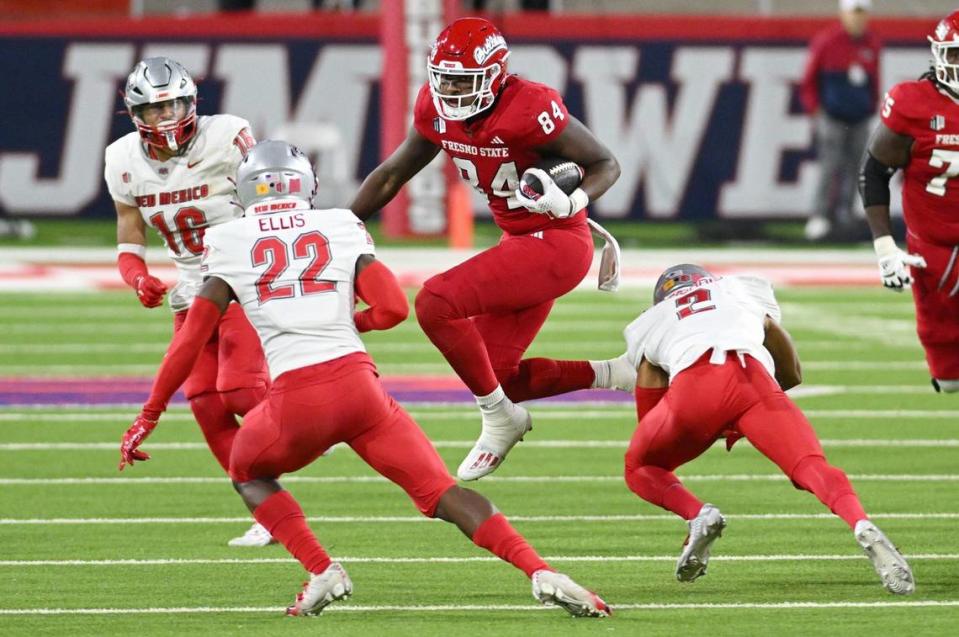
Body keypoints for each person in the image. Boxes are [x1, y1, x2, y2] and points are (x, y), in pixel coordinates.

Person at [116, 140, 611, 618]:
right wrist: (354, 322)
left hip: (297, 399)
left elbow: (189, 341)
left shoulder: (227, 240)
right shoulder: (339, 224)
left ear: (244, 190)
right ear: (306, 184)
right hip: (362, 391)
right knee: (441, 492)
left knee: (248, 472)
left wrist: (149, 414)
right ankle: (541, 571)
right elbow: (394, 308)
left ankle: (321, 568)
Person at [349, 17, 632, 481]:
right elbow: (390, 175)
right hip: (520, 243)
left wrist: (574, 198)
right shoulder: (435, 111)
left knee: (436, 301)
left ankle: (499, 418)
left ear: (496, 74)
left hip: (556, 241)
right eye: (446, 79)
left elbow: (606, 163)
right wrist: (342, 223)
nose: (453, 90)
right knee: (496, 374)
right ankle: (615, 373)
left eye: (465, 80)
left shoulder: (530, 106)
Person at [620, 264, 914, 595]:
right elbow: (792, 373)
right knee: (811, 466)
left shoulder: (653, 319)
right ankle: (860, 522)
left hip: (696, 385)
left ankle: (698, 515)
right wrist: (745, 417)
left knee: (641, 466)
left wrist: (712, 423)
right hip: (755, 381)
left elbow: (651, 425)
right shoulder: (738, 291)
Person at [103, 57, 274, 548]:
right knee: (204, 404)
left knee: (240, 389)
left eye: (175, 104)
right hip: (191, 289)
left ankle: (308, 419)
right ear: (136, 113)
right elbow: (129, 230)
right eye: (155, 109)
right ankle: (268, 512)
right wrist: (136, 277)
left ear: (192, 102)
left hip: (244, 275)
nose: (167, 117)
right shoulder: (122, 159)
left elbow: (275, 196)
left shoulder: (228, 136)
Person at [859, 11, 959, 394]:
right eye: (956, 55)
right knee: (949, 381)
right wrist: (885, 247)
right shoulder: (914, 103)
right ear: (939, 56)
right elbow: (873, 172)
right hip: (932, 247)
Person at [800, 0, 881, 241]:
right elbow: (809, 79)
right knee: (829, 165)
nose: (858, 19)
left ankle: (845, 214)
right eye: (854, 13)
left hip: (859, 117)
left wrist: (872, 106)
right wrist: (815, 110)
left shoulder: (871, 42)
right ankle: (819, 215)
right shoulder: (827, 40)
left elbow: (873, 79)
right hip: (832, 116)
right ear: (844, 14)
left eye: (862, 13)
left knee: (856, 168)